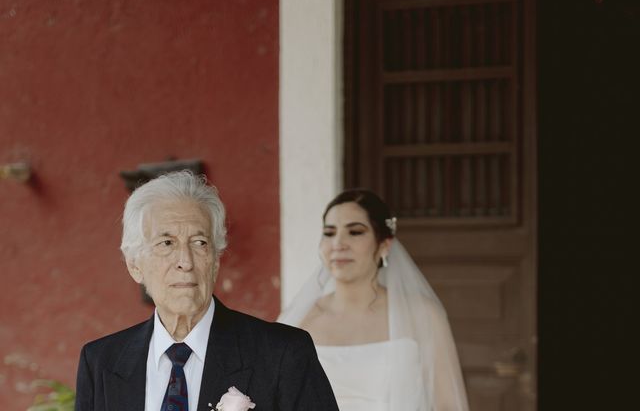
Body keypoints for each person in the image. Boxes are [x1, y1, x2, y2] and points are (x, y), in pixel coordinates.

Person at [75, 171, 338, 411]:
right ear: (134, 265)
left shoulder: (282, 354)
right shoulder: (101, 362)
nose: (185, 262)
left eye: (199, 243)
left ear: (215, 260)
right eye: (166, 243)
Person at [278, 189, 469, 411]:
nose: (339, 243)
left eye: (355, 232)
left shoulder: (421, 313)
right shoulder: (298, 319)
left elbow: (448, 404)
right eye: (329, 233)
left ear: (384, 245)